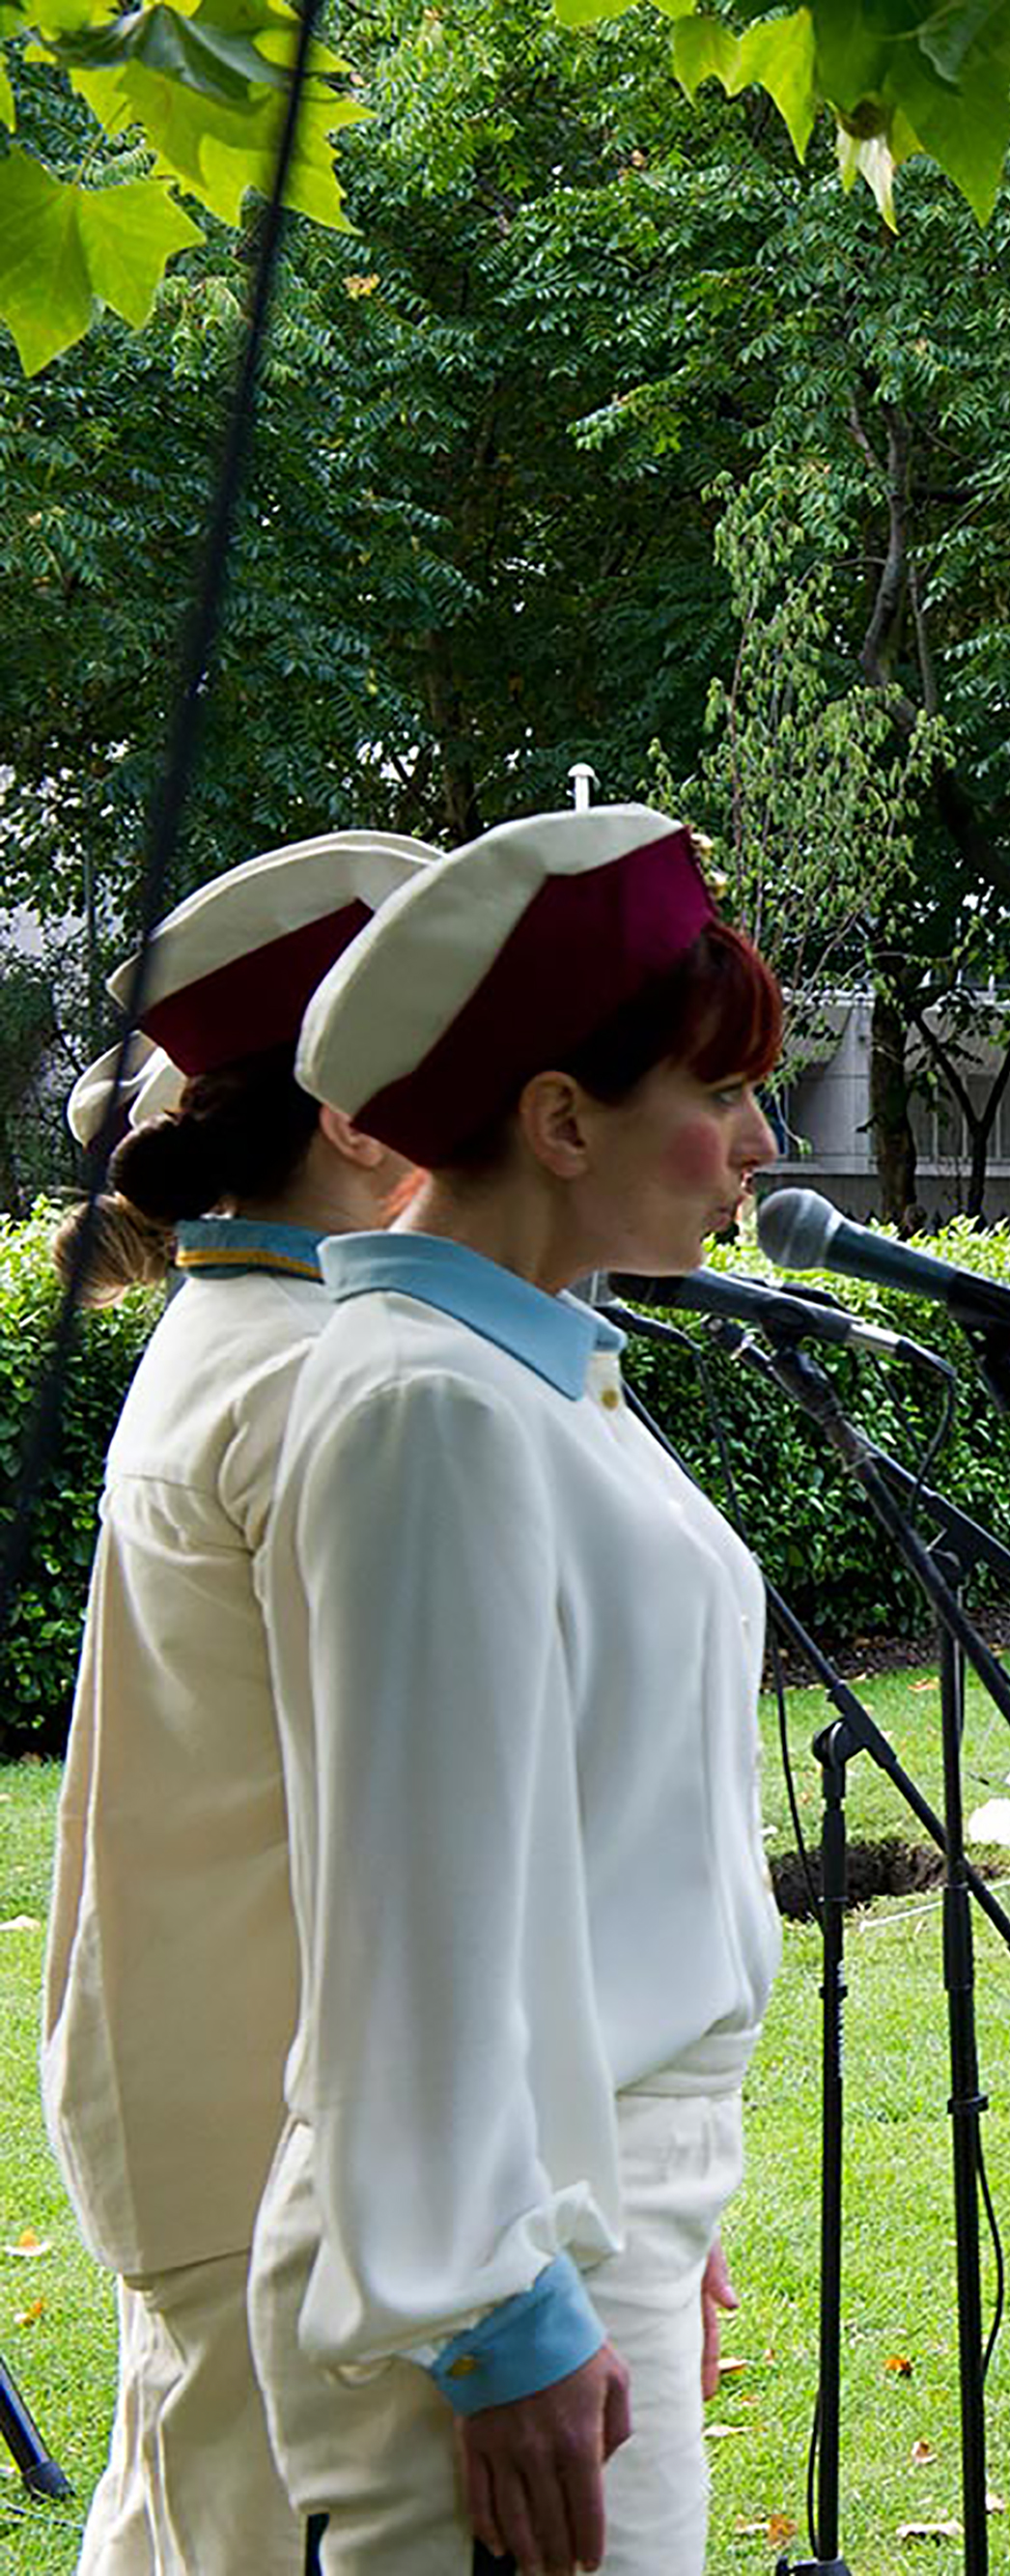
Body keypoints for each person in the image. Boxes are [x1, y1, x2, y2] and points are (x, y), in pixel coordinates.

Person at [264, 806, 793, 2576]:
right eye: (717, 1096)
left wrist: (659, 2206)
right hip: (501, 2262)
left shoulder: (532, 1378)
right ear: (561, 1122)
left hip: (589, 2207)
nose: (753, 1147)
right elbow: (410, 1911)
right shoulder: (432, 1401)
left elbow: (580, 1850)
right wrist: (501, 2302)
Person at [42, 833, 429, 2576]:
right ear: (357, 1116)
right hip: (271, 2132)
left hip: (214, 2104)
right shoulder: (310, 1372)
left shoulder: (258, 1333)